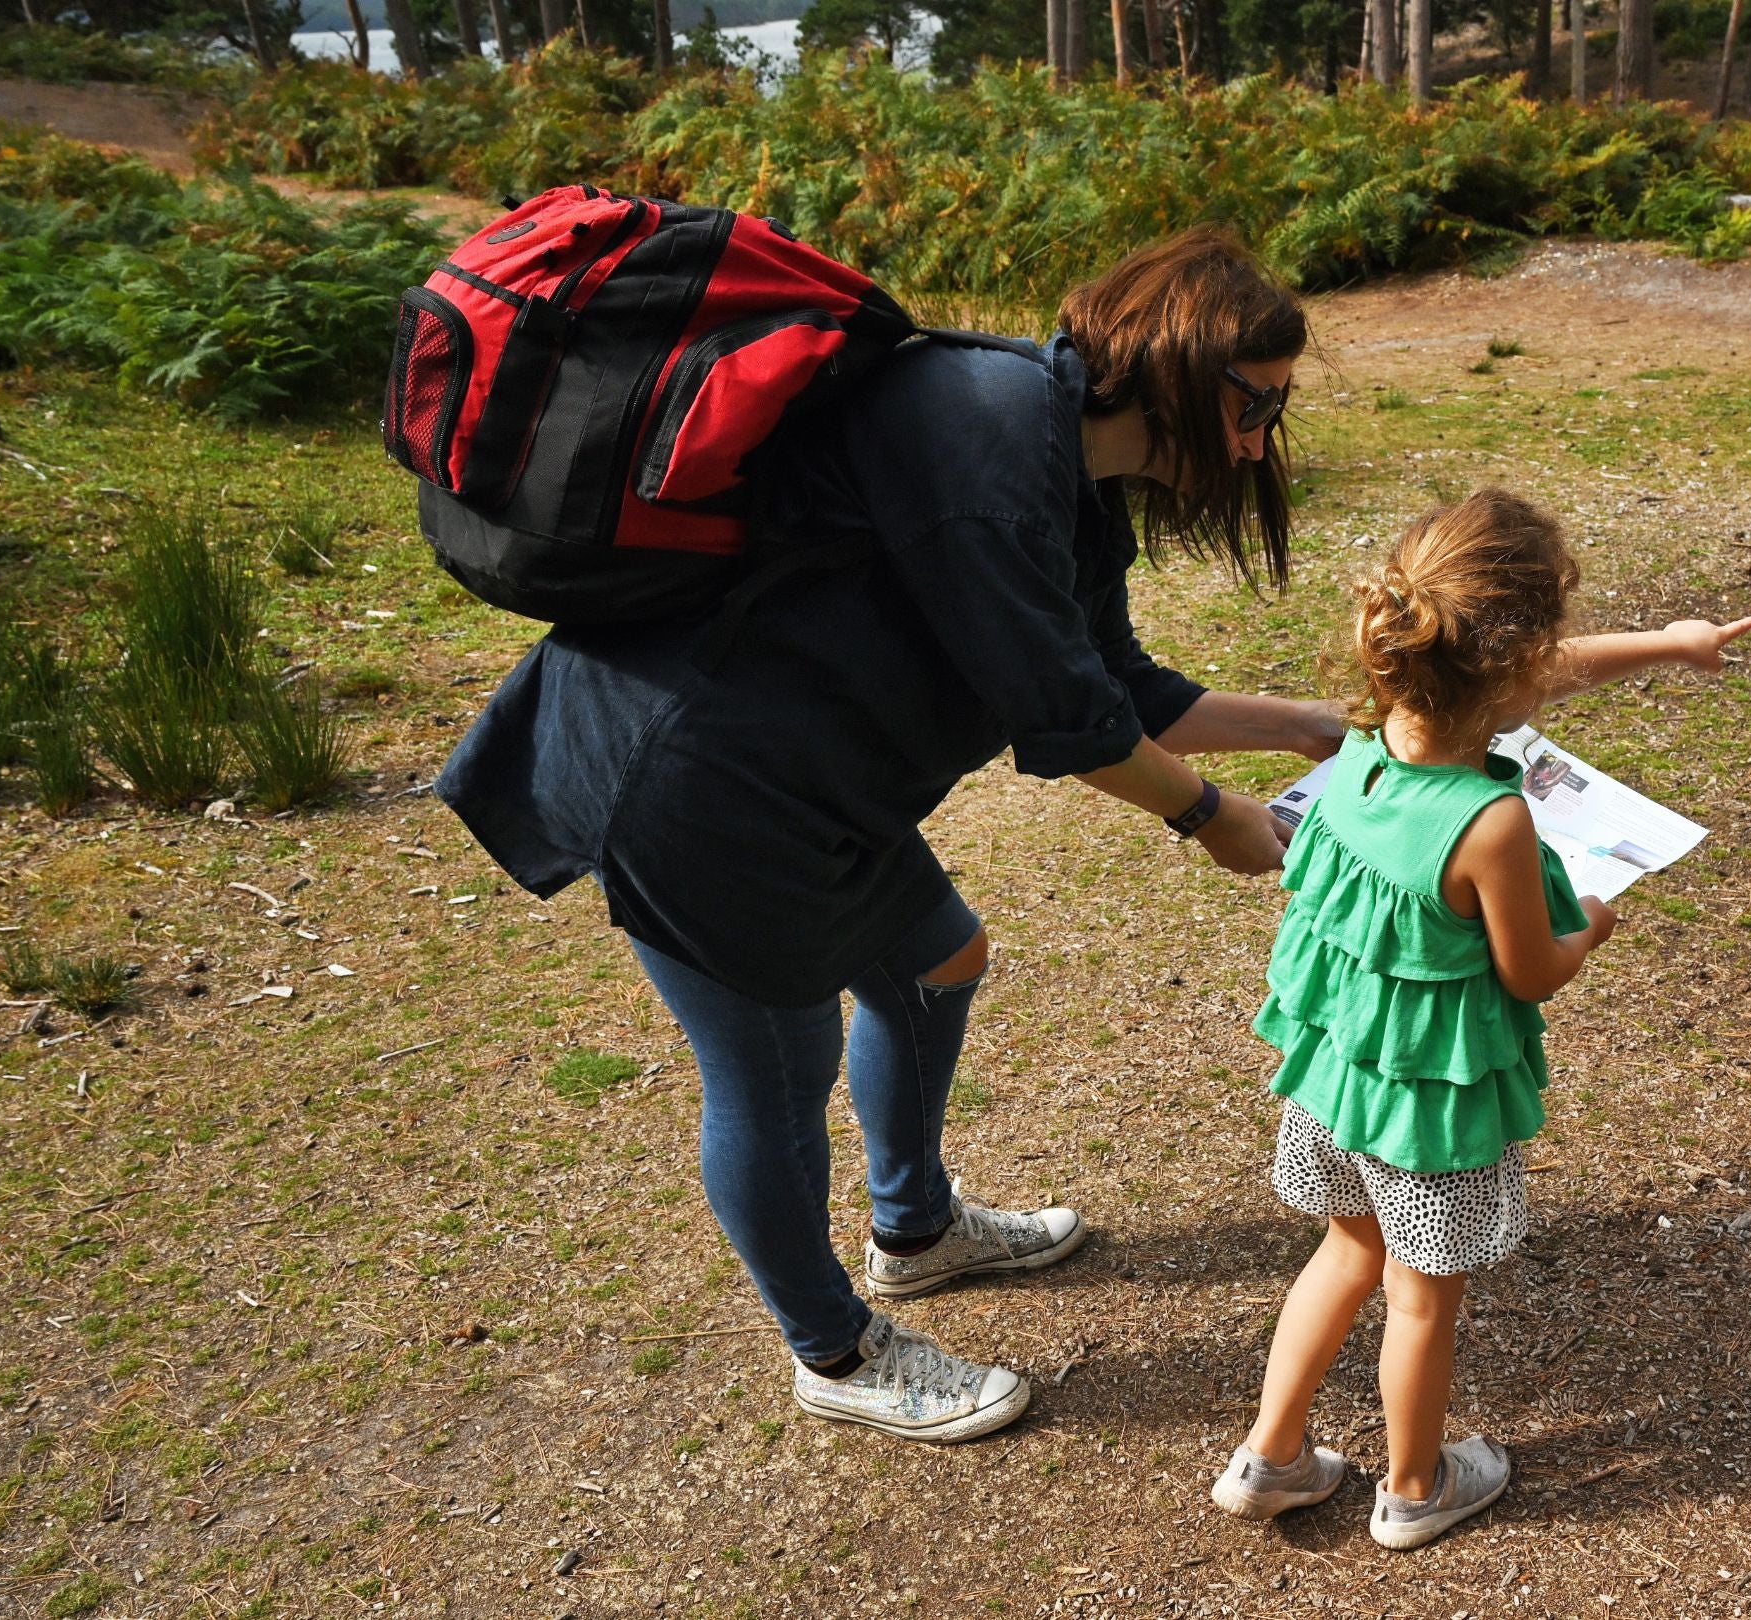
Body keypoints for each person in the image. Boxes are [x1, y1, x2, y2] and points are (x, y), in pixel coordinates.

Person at [439, 230, 1345, 1444]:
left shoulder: (1063, 467)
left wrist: (1309, 733)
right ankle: (835, 1350)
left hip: (814, 785)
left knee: (938, 956)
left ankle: (913, 1230)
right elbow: (1064, 718)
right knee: (772, 1074)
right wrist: (1206, 815)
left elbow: (1113, 680)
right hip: (700, 790)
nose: (1260, 441)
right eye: (1256, 406)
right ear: (1183, 368)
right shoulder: (985, 427)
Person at [1209, 489, 1751, 1548]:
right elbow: (1531, 972)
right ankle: (1415, 1489)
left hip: (1337, 1080)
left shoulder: (1361, 747)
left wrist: (1668, 645)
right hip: (1427, 1111)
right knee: (1422, 1300)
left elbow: (1524, 671)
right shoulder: (1494, 821)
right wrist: (1591, 921)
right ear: (1512, 663)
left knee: (1343, 1254)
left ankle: (1272, 1456)